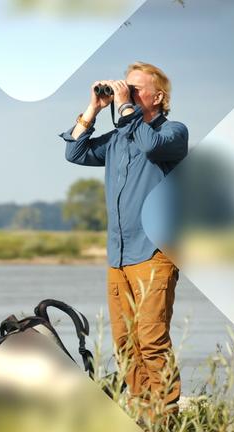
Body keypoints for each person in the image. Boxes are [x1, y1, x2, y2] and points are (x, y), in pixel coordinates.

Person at [59, 62, 188, 417]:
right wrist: (94, 109)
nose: (125, 94)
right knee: (125, 342)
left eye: (135, 89)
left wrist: (127, 109)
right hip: (118, 255)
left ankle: (167, 415)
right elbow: (75, 152)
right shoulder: (117, 139)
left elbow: (149, 147)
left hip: (153, 252)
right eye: (124, 88)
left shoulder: (173, 133)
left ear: (158, 97)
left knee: (151, 339)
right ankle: (143, 411)